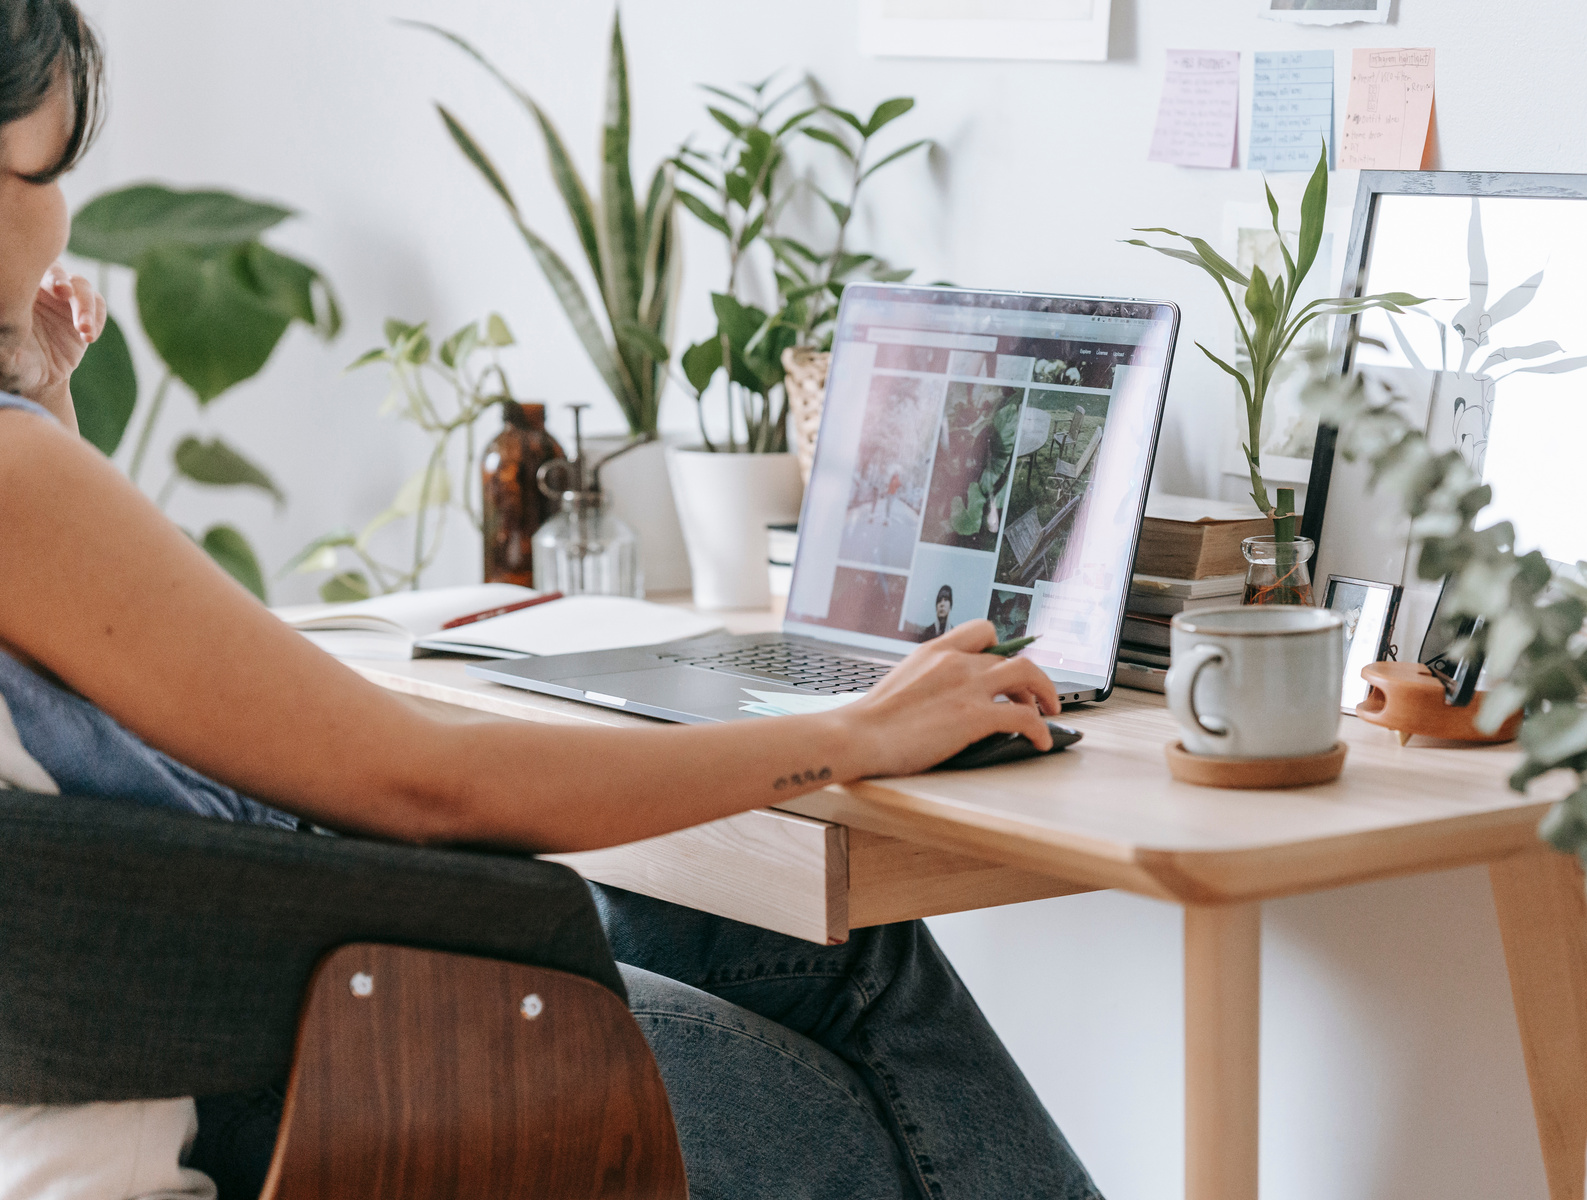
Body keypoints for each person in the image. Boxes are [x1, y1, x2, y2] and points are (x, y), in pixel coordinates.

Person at [0, 5, 1103, 1198]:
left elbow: (64, 723)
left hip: (251, 1009)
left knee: (820, 947)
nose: (63, 213)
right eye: (48, 170)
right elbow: (429, 786)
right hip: (325, 1062)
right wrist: (855, 732)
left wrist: (44, 396)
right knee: (880, 1058)